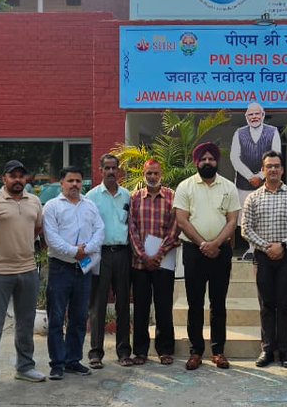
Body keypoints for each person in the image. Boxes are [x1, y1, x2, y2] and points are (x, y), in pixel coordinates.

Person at [0, 159, 46, 391]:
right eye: (13, 176)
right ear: (4, 178)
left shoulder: (34, 201)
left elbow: (37, 229)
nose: (17, 180)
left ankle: (25, 367)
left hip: (27, 271)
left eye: (21, 176)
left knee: (25, 322)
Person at [174, 142, 240, 371]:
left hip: (221, 252)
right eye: (203, 159)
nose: (207, 162)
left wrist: (216, 244)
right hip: (194, 252)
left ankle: (218, 351)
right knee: (194, 303)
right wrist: (203, 244)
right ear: (196, 162)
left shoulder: (229, 187)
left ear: (217, 162)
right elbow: (182, 220)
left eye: (211, 159)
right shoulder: (185, 186)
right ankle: (195, 351)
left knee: (218, 303)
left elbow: (233, 220)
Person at [241, 151, 287, 368]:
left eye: (276, 166)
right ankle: (268, 350)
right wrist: (266, 246)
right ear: (263, 170)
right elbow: (245, 229)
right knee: (266, 305)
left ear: (282, 170)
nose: (272, 169)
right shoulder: (253, 198)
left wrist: (284, 245)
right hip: (263, 256)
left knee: (284, 305)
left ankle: (285, 352)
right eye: (268, 166)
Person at [41, 165, 106, 380]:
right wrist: (74, 252)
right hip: (61, 268)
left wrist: (84, 251)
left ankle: (73, 360)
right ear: (62, 183)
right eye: (70, 181)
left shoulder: (90, 206)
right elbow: (51, 237)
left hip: (83, 268)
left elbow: (100, 230)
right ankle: (57, 363)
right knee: (57, 317)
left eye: (78, 181)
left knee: (79, 317)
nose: (75, 185)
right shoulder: (52, 207)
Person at [128, 159, 179, 365]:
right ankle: (140, 351)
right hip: (139, 264)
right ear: (144, 173)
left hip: (163, 262)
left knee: (164, 307)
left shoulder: (172, 197)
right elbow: (131, 228)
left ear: (161, 174)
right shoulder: (135, 198)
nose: (152, 177)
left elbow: (175, 227)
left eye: (156, 173)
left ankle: (165, 350)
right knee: (141, 308)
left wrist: (159, 254)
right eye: (149, 173)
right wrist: (143, 255)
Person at [85, 154, 132, 368]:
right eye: (107, 168)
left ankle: (124, 352)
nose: (111, 172)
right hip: (100, 255)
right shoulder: (92, 197)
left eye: (114, 168)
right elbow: (86, 228)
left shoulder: (127, 196)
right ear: (100, 170)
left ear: (118, 170)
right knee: (98, 304)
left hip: (123, 253)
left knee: (123, 303)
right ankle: (95, 353)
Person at [231, 103, 281, 260]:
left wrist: (260, 176)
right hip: (243, 184)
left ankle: (262, 248)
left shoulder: (273, 132)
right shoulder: (239, 133)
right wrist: (249, 176)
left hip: (266, 184)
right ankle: (251, 248)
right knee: (245, 218)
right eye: (250, 115)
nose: (254, 117)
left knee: (264, 216)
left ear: (263, 115)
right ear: (246, 117)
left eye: (256, 114)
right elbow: (234, 157)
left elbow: (276, 154)